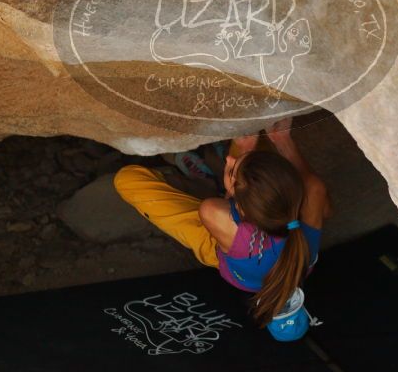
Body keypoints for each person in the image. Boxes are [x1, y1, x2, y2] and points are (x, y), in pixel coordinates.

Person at [113, 117, 332, 328]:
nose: (230, 160)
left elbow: (313, 190)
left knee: (126, 179)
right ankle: (216, 173)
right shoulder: (289, 226)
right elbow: (316, 193)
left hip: (219, 244)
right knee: (128, 181)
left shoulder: (219, 215)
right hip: (238, 227)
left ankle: (206, 179)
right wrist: (280, 138)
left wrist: (244, 148)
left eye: (232, 169)